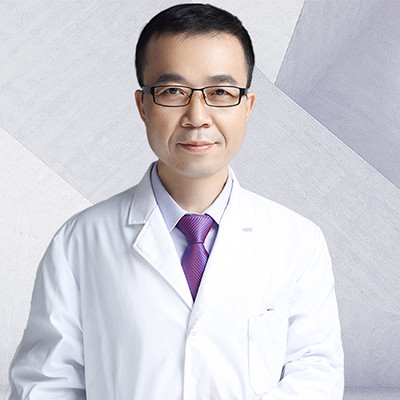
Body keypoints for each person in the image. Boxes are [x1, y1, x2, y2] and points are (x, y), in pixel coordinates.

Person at [8, 3, 344, 399]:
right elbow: (45, 385)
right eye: (173, 92)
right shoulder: (79, 241)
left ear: (247, 106)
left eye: (220, 92)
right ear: (143, 106)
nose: (197, 116)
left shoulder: (298, 242)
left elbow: (315, 376)